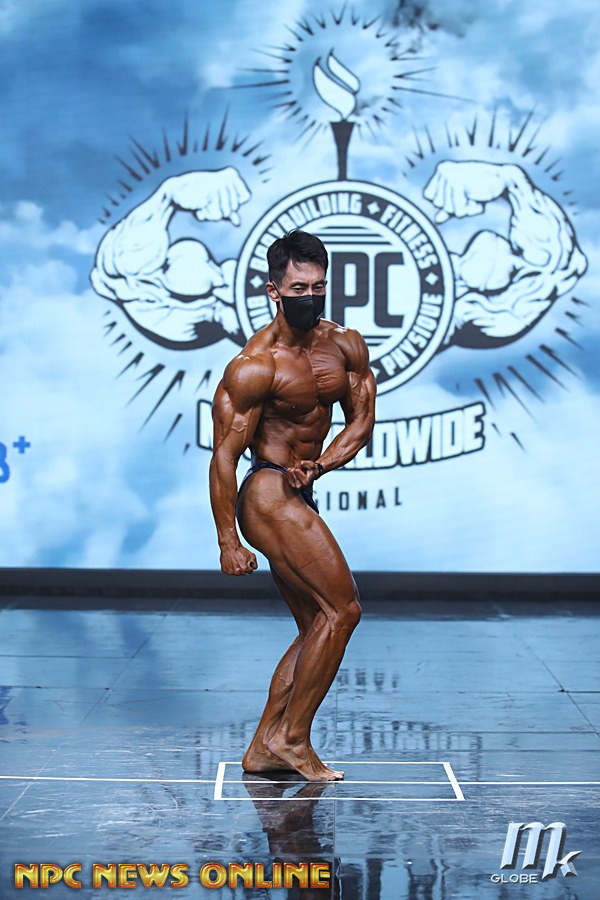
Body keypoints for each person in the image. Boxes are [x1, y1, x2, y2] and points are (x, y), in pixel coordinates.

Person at [209, 230, 376, 781]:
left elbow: (361, 422)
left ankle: (263, 748)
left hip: (300, 488)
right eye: (299, 287)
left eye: (318, 286)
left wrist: (321, 465)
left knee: (315, 627)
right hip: (267, 493)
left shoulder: (344, 345)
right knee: (343, 611)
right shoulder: (255, 365)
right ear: (274, 290)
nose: (310, 296)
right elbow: (224, 457)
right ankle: (293, 738)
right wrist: (228, 541)